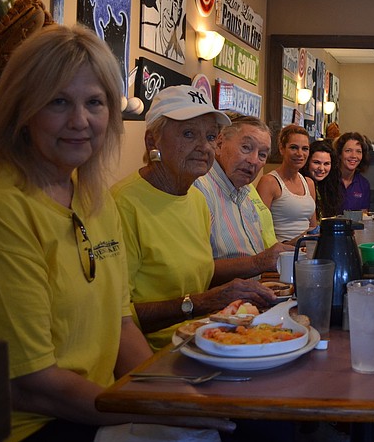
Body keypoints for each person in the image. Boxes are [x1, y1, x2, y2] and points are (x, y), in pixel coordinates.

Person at [0, 26, 225, 440]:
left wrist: (167, 391)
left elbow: (123, 326)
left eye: (95, 102)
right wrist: (164, 409)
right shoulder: (5, 208)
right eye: (59, 101)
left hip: (102, 404)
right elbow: (32, 385)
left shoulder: (93, 199)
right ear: (22, 109)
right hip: (39, 425)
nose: (80, 120)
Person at [113, 86, 277, 351]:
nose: (204, 147)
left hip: (208, 341)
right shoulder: (122, 204)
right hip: (158, 353)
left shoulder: (197, 200)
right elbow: (117, 319)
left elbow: (202, 275)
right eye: (189, 134)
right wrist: (200, 303)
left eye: (211, 136)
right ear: (152, 142)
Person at [194, 114, 292, 270]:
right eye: (246, 148)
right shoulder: (199, 189)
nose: (253, 161)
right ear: (219, 144)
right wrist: (259, 263)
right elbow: (196, 271)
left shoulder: (247, 191)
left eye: (262, 155)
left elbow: (257, 254)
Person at [257, 125, 317, 244]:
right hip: (281, 253)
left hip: (307, 251)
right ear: (281, 149)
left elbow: (313, 227)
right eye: (294, 148)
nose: (300, 153)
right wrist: (291, 243)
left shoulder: (309, 183)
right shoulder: (269, 182)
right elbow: (259, 230)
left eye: (305, 148)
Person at [302, 139, 343, 218]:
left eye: (326, 164)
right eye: (316, 162)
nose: (321, 168)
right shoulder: (300, 184)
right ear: (307, 162)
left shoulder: (332, 186)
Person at [335, 131, 371, 212]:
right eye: (348, 151)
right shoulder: (328, 180)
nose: (354, 156)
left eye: (358, 152)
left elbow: (363, 216)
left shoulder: (364, 184)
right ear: (340, 154)